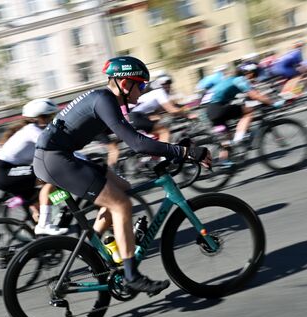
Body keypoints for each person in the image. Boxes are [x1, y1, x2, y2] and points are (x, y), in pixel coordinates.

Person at [33, 56, 211, 294]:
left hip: (57, 157)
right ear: (125, 84)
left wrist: (176, 148)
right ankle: (131, 275)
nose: (143, 91)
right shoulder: (104, 99)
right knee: (121, 205)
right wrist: (185, 152)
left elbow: (132, 136)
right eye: (142, 85)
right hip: (55, 160)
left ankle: (97, 246)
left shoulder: (104, 99)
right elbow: (138, 144)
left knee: (123, 187)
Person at [0, 98, 68, 235]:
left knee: (39, 204)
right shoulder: (31, 130)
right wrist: (81, 157)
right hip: (4, 172)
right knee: (49, 178)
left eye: (51, 116)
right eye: (47, 116)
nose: (51, 119)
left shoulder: (31, 129)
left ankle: (43, 241)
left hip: (7, 171)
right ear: (36, 119)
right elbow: (54, 147)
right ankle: (46, 223)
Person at [207, 63, 281, 163]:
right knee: (249, 111)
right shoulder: (240, 79)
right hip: (218, 108)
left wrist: (262, 99)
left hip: (211, 110)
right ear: (249, 73)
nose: (255, 77)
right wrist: (273, 103)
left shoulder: (232, 79)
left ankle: (224, 164)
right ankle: (239, 139)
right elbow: (255, 96)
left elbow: (250, 96)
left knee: (226, 141)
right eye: (255, 74)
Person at [129, 75, 195, 143]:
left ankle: (154, 150)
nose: (167, 87)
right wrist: (186, 112)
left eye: (168, 85)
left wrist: (181, 113)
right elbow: (172, 110)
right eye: (164, 85)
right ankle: (165, 152)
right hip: (135, 116)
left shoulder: (153, 95)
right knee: (164, 132)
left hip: (134, 116)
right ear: (159, 86)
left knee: (157, 124)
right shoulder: (159, 92)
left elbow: (165, 111)